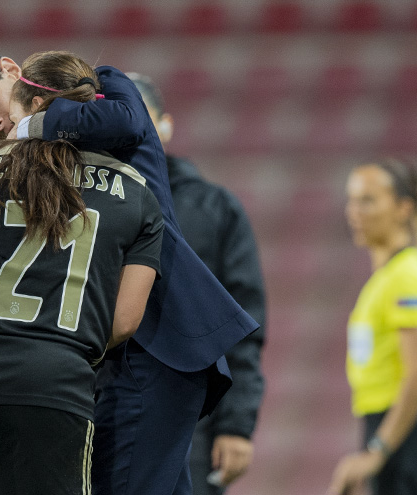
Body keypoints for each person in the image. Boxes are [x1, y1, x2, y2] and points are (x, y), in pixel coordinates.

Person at [0, 48, 259, 495]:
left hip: (153, 338)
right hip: (95, 350)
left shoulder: (106, 90)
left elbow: (128, 122)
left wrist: (33, 123)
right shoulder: (25, 168)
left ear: (11, 70)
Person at [0, 51, 165, 495]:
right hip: (55, 379)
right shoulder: (137, 193)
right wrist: (65, 338)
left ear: (17, 77)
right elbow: (124, 322)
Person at [128, 73, 266, 494]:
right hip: (98, 410)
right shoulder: (76, 202)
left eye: (138, 119)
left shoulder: (214, 209)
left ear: (165, 125)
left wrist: (237, 425)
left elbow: (242, 323)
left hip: (191, 415)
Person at [328, 158, 417, 495]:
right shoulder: (386, 278)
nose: (353, 211)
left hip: (411, 434)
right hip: (395, 427)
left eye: (368, 200)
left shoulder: (406, 276)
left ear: (403, 208)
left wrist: (377, 452)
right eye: (352, 200)